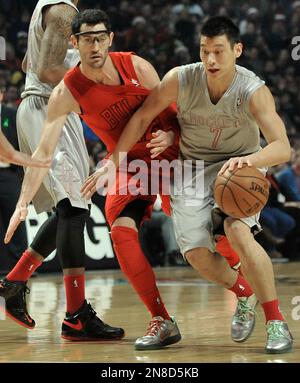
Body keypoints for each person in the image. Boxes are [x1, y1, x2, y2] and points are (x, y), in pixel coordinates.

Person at [6, 10, 253, 351]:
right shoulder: (67, 92)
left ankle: (244, 287)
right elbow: (43, 153)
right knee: (121, 230)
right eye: (87, 39)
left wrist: (170, 134)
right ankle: (162, 320)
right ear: (74, 44)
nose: (94, 45)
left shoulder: (136, 67)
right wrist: (22, 202)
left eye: (100, 37)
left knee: (213, 234)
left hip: (175, 155)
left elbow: (178, 112)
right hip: (128, 164)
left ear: (111, 39)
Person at [95, 16, 294, 354]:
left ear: (237, 50)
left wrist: (252, 162)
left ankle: (276, 322)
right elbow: (143, 116)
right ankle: (244, 294)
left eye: (219, 51)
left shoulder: (253, 89)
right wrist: (114, 159)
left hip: (240, 166)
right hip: (190, 171)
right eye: (205, 51)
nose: (211, 60)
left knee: (237, 231)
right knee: (197, 255)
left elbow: (282, 147)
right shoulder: (180, 78)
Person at [0, 0, 124, 341]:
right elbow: (46, 71)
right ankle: (75, 314)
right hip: (45, 106)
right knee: (74, 207)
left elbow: (29, 61)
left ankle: (16, 280)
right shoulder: (62, 11)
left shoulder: (53, 10)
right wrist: (100, 88)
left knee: (73, 207)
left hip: (52, 108)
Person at [0, 87, 28, 273]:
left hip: (8, 174)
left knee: (16, 218)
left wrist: (19, 173)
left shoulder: (12, 114)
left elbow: (22, 144)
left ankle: (21, 267)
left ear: (1, 93)